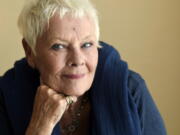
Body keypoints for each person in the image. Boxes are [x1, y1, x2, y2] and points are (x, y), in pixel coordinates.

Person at [0, 0, 167, 135]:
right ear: (30, 51)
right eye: (59, 46)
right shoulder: (5, 95)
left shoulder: (130, 89)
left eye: (87, 44)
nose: (78, 60)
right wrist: (39, 128)